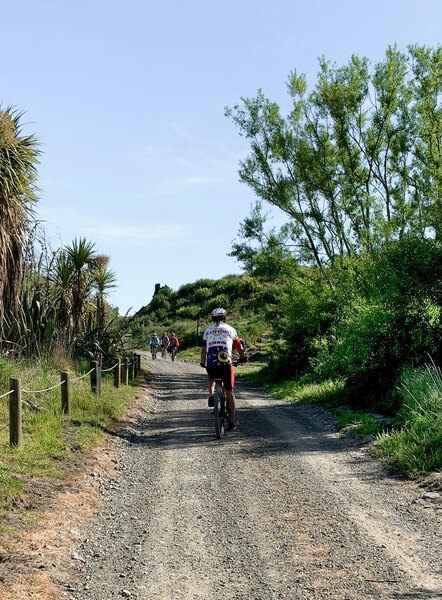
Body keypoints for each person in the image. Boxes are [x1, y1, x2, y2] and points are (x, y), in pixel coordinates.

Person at [200, 307, 246, 430]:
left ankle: (211, 395)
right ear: (224, 318)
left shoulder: (207, 330)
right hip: (226, 363)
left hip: (211, 363)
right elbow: (239, 347)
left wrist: (202, 362)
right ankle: (232, 421)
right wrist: (242, 357)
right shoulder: (231, 329)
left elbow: (204, 350)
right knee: (230, 391)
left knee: (211, 376)